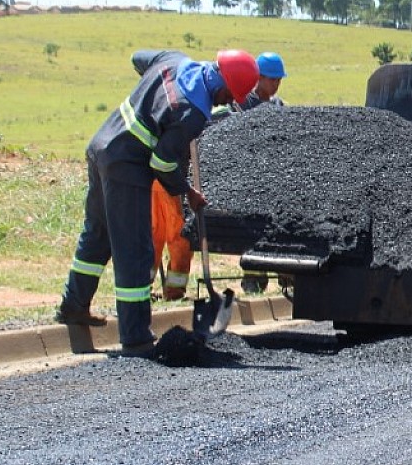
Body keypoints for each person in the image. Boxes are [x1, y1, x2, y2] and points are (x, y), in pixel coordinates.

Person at [55, 49, 259, 357]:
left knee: (98, 235)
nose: (224, 102)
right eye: (229, 95)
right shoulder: (192, 113)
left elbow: (138, 58)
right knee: (135, 249)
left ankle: (74, 305)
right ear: (223, 82)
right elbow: (162, 162)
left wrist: (151, 96)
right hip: (127, 165)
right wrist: (187, 191)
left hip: (101, 146)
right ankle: (135, 336)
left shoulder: (172, 61)